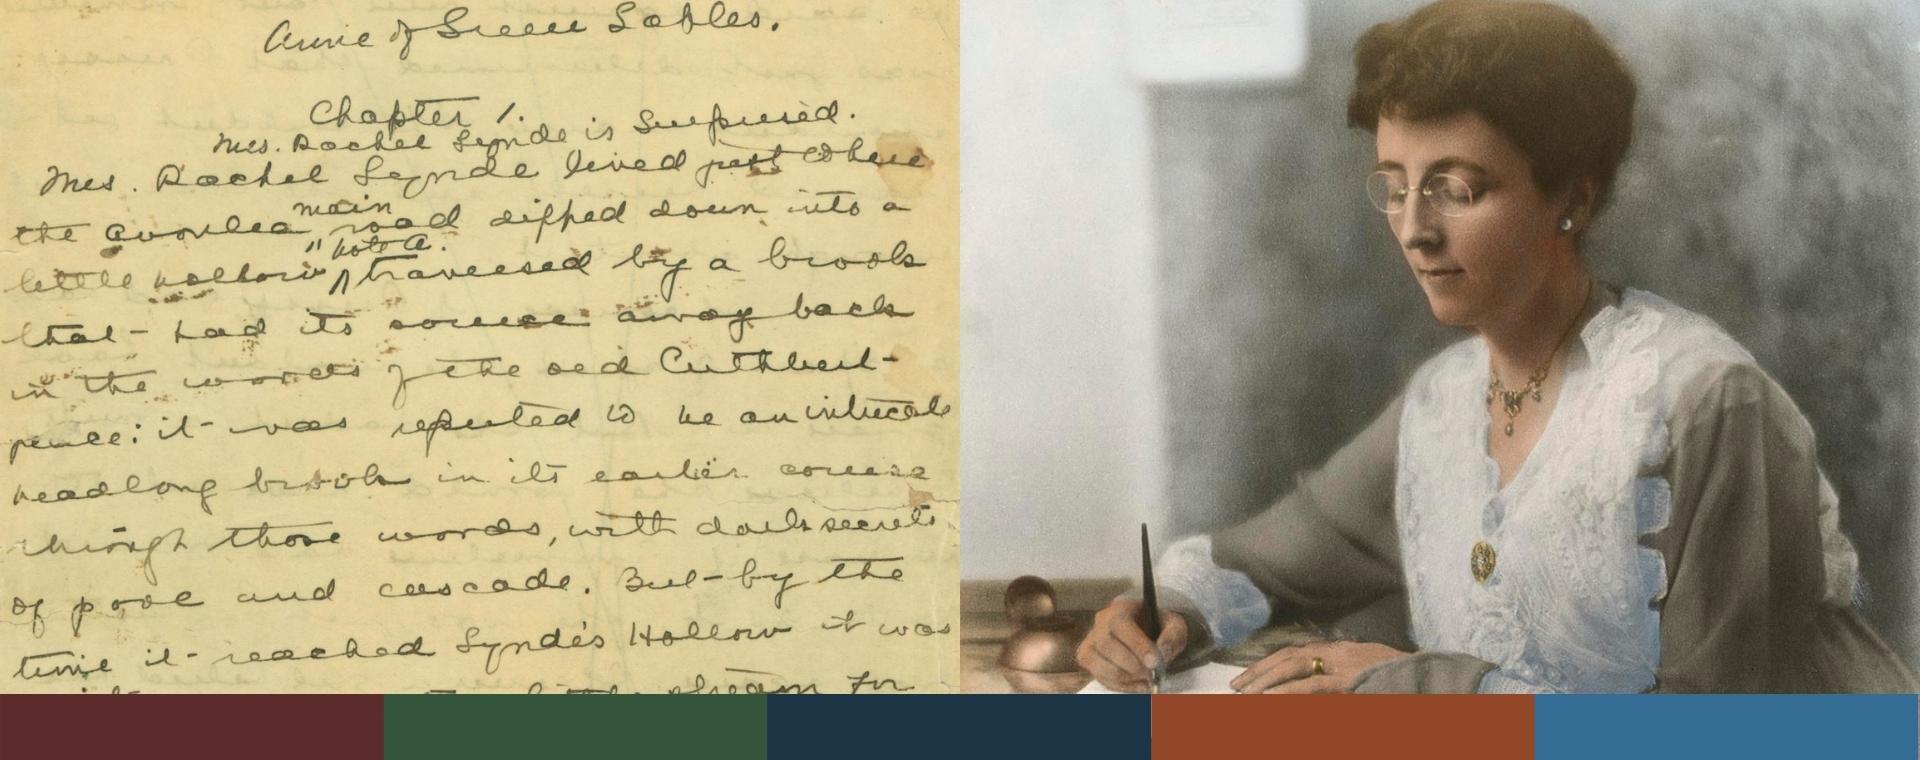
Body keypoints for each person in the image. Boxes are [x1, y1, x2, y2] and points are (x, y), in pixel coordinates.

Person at [1076, 0, 1917, 693]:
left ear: (1572, 201)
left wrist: (1417, 687)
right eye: (1396, 187)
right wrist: (1166, 610)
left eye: (1457, 189)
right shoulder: (1445, 402)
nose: (1413, 229)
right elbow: (1263, 559)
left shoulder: (1705, 400)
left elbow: (1711, 737)